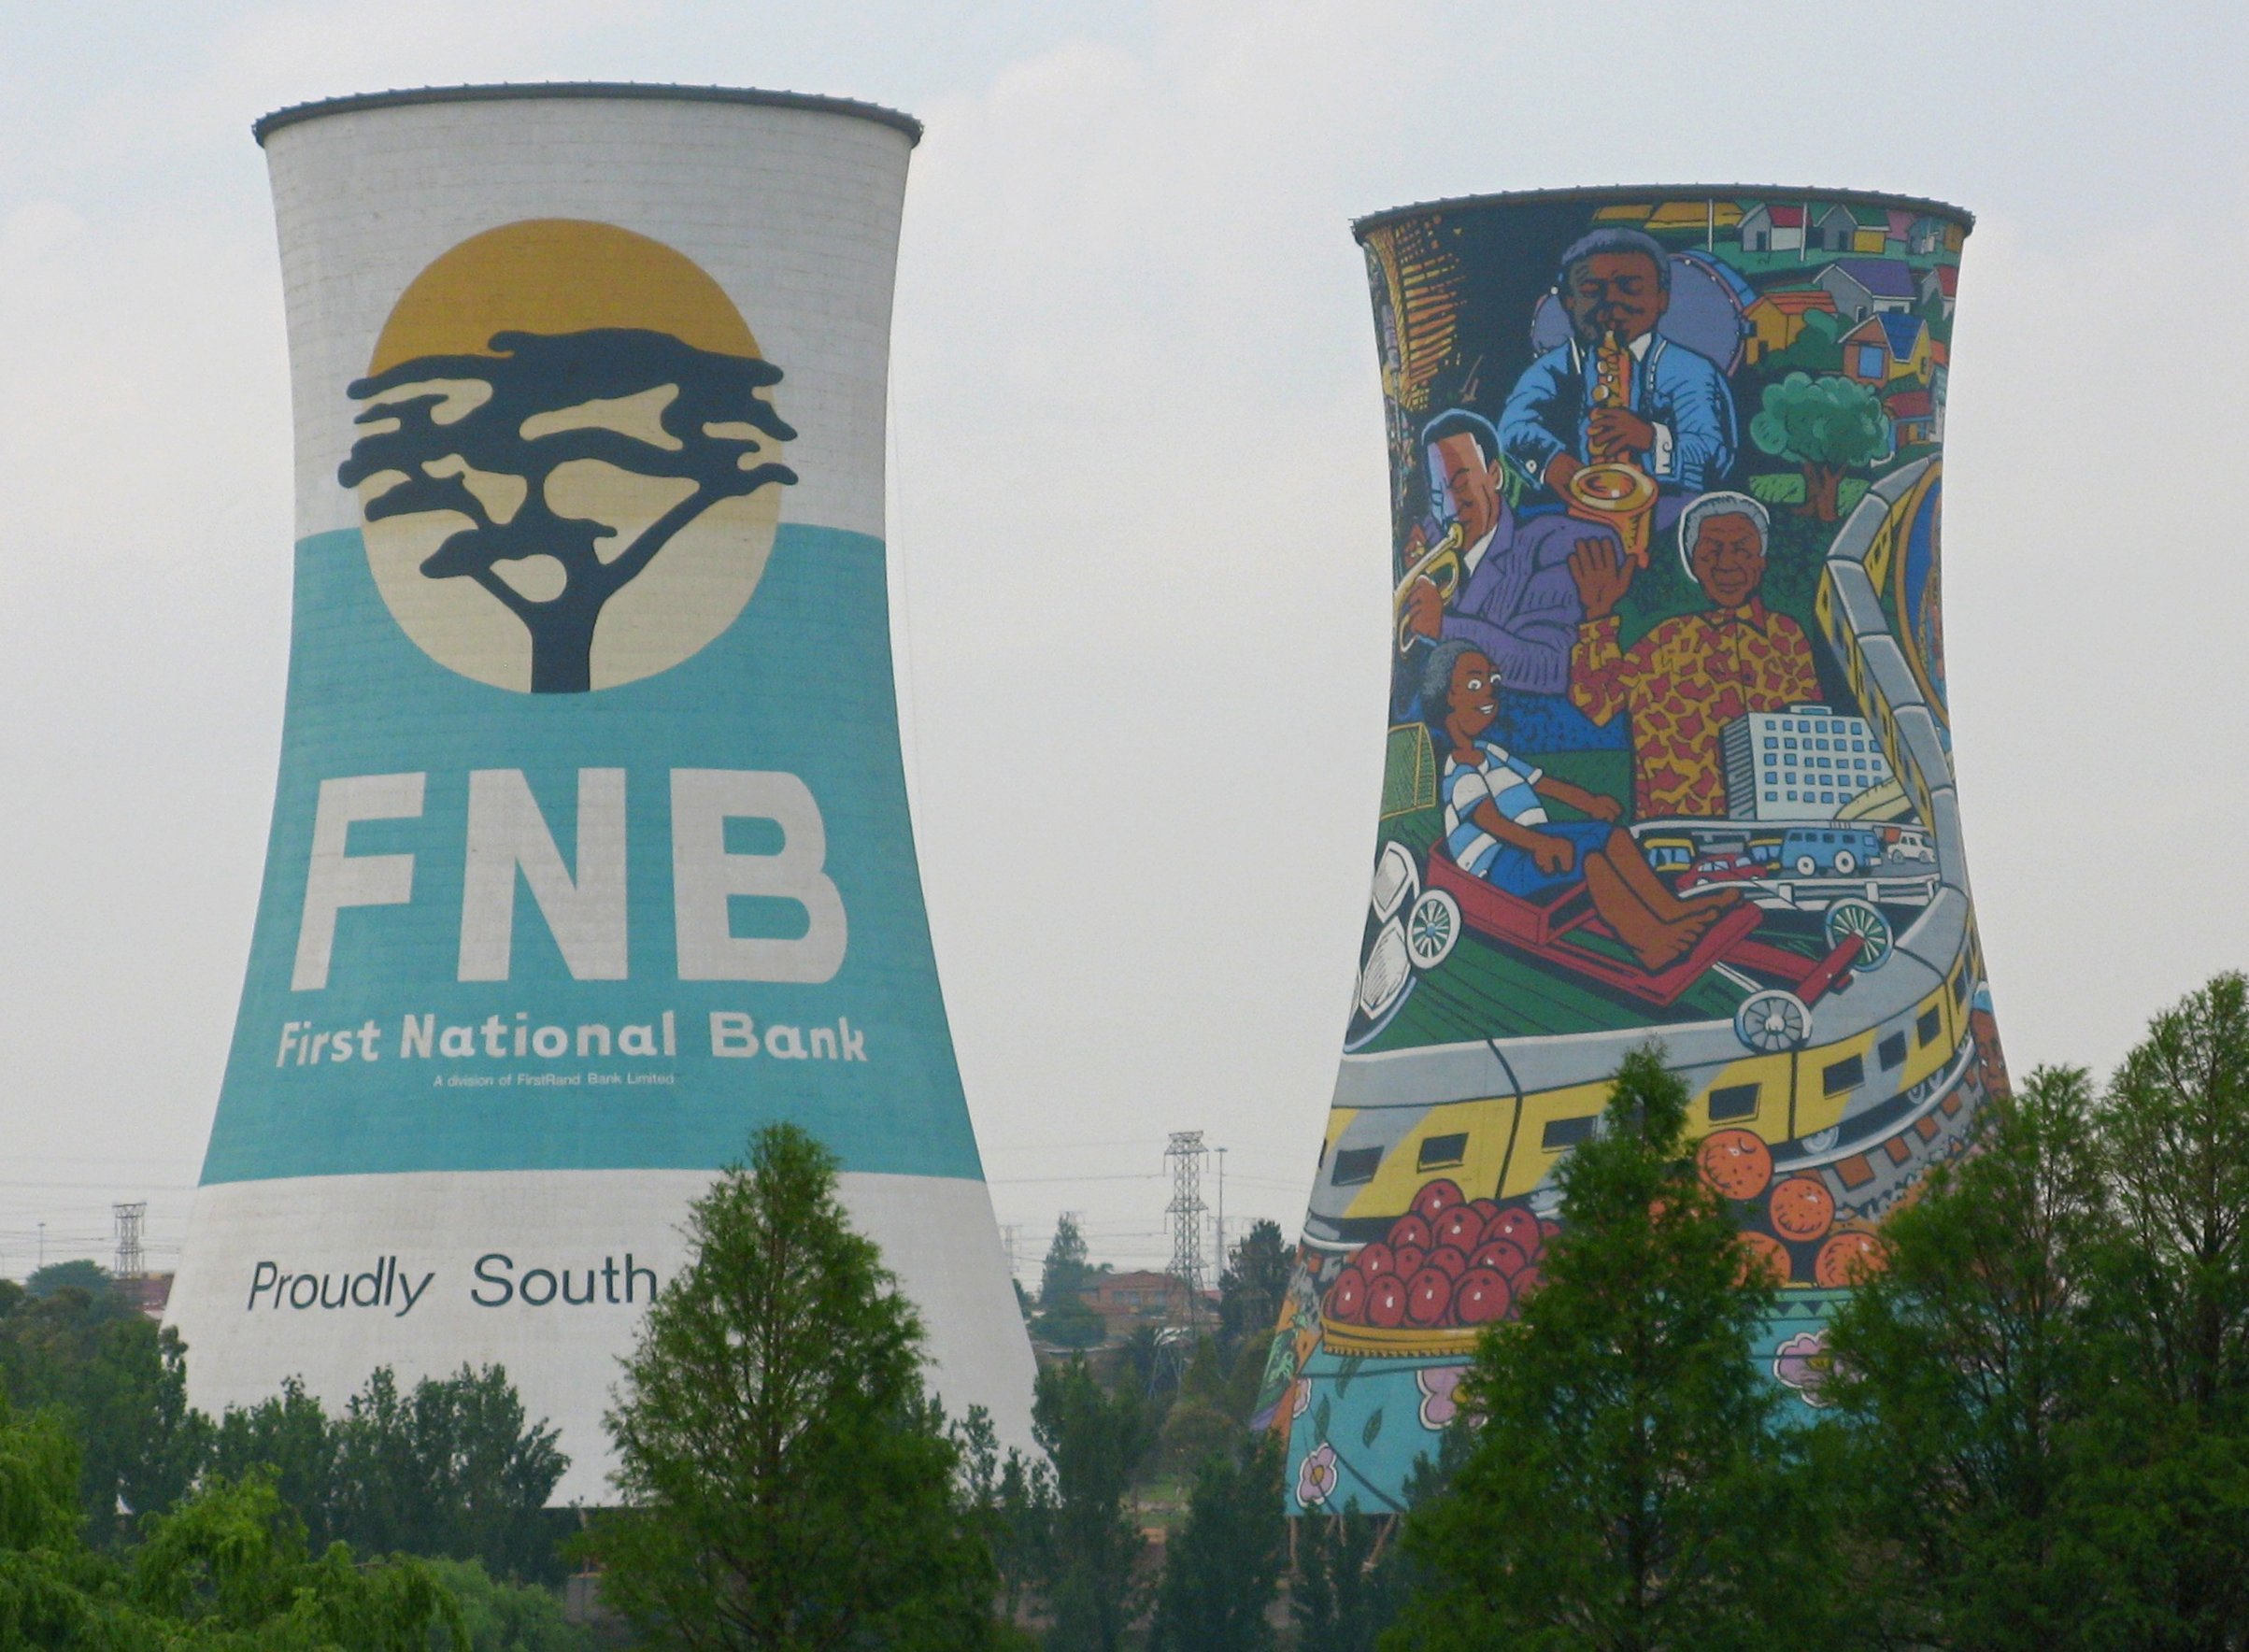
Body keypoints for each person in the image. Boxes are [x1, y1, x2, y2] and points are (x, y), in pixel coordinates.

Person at [1425, 638, 1738, 972]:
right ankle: (1649, 942)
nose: (1489, 692)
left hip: (1532, 839)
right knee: (1590, 861)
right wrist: (1540, 843)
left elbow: (1542, 782)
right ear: (1448, 696)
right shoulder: (1458, 771)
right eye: (1475, 684)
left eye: (1493, 681)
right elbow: (1488, 819)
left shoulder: (1490, 752)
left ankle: (1671, 909)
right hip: (1498, 866)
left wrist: (1590, 802)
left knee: (1610, 835)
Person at [1566, 492, 1818, 819]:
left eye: (1742, 549)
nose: (1726, 563)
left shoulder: (1787, 637)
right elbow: (1596, 704)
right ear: (1692, 562)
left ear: (1761, 560)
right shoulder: (1665, 641)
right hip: (1680, 829)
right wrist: (1597, 616)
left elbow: (1810, 731)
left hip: (1778, 826)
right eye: (1711, 550)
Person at [1497, 228, 1737, 506]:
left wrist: (1649, 438)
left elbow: (1711, 452)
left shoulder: (1691, 370)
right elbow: (1513, 424)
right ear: (1568, 302)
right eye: (1591, 290)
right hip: (1576, 512)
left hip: (1668, 511)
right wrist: (1550, 461)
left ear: (1662, 298)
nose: (1611, 302)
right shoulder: (1554, 368)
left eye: (1631, 288)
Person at [1398, 409, 1583, 697]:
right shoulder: (1430, 542)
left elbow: (1550, 665)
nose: (1450, 510)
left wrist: (1444, 626)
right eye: (1437, 496)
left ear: (1494, 475)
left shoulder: (1546, 544)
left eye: (1460, 486)